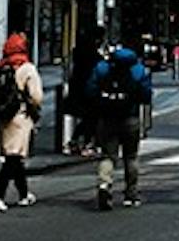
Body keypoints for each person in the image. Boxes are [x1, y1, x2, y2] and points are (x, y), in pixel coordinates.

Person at [86, 45, 153, 209]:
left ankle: (104, 185)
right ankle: (131, 194)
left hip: (107, 118)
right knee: (131, 156)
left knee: (107, 156)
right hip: (130, 117)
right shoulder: (139, 71)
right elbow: (146, 95)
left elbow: (90, 90)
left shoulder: (102, 69)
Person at [0, 33, 43, 212]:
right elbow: (37, 96)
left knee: (14, 155)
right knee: (14, 156)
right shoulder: (27, 68)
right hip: (20, 115)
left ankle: (24, 194)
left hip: (3, 116)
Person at [65, 24, 104, 156]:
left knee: (87, 117)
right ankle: (86, 143)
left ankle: (77, 141)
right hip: (89, 90)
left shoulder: (80, 52)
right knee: (91, 117)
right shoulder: (92, 55)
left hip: (79, 89)